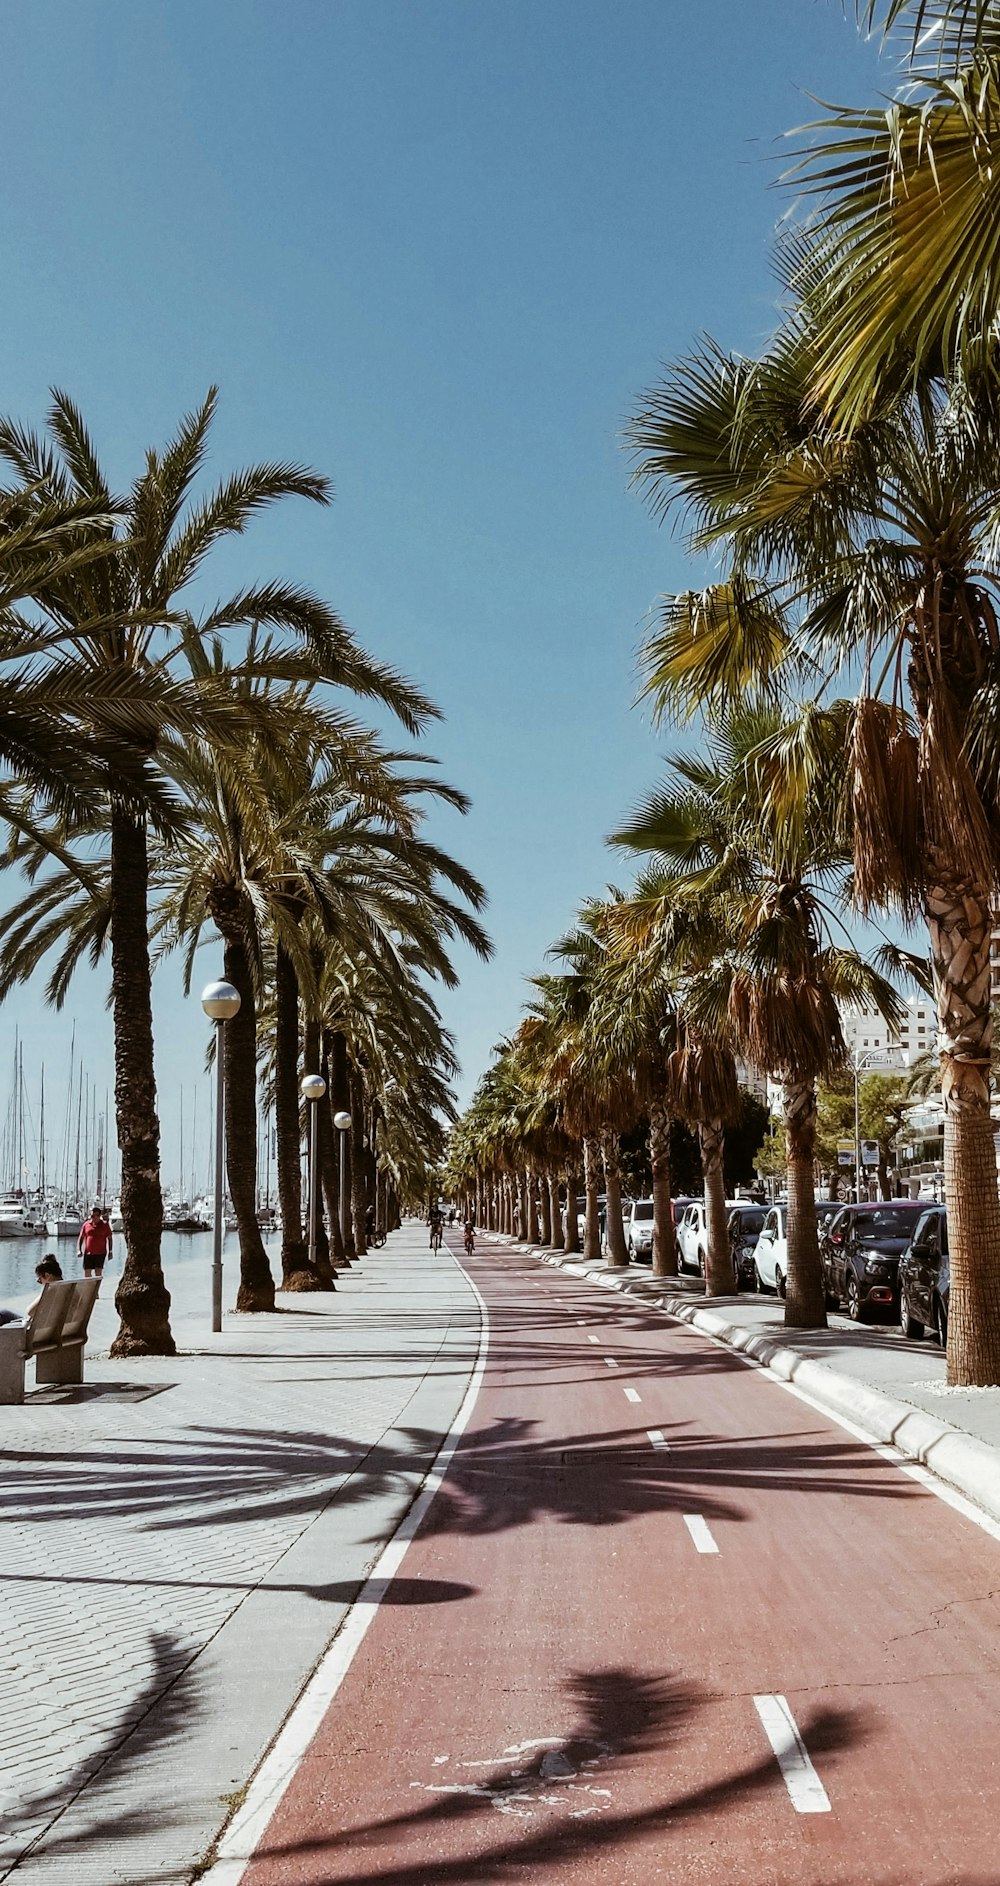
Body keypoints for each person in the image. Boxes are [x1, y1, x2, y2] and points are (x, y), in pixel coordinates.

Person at [78, 1205, 113, 1281]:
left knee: (98, 1273)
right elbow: (81, 1237)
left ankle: (96, 1291)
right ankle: (88, 1290)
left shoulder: (105, 1225)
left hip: (100, 1253)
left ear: (99, 1216)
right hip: (88, 1253)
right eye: (92, 1216)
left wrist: (110, 1251)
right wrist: (79, 1249)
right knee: (87, 1273)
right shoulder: (86, 1225)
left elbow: (110, 1238)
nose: (94, 1217)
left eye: (96, 1215)